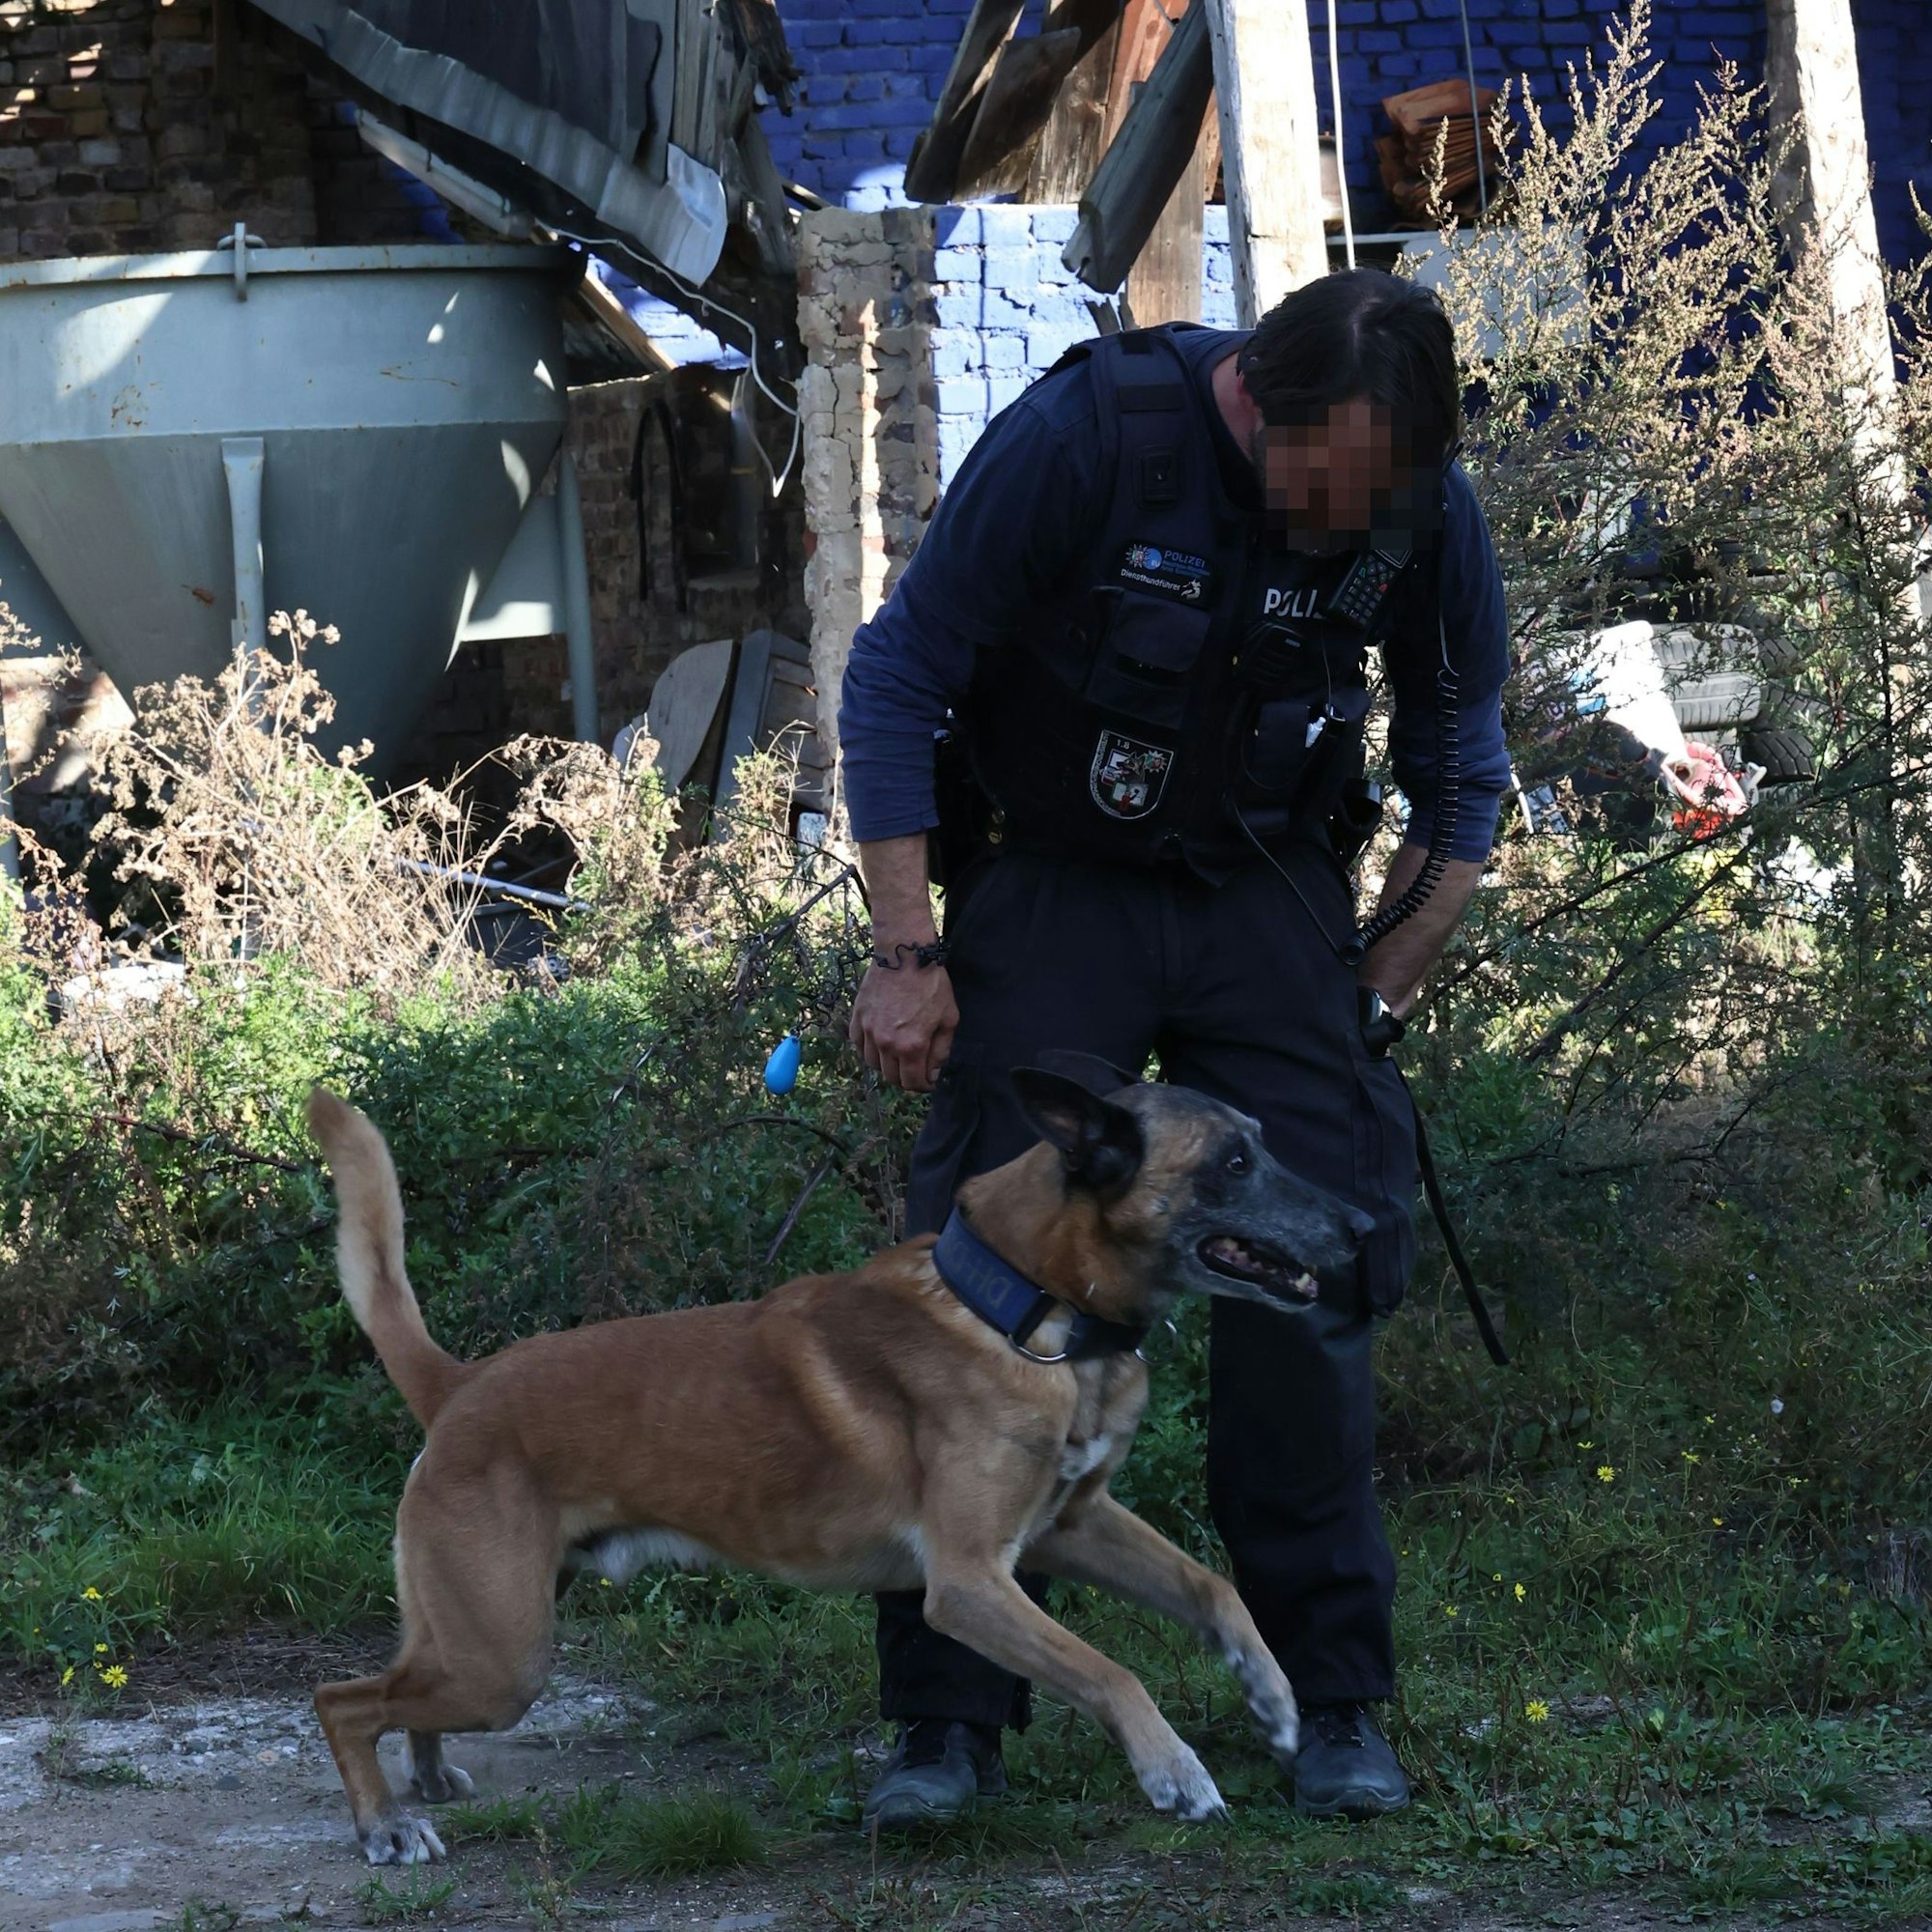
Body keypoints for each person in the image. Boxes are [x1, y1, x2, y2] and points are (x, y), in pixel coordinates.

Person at [838, 268, 1511, 1826]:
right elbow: (898, 674)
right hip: (1057, 887)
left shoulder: (1418, 502)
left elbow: (1461, 757)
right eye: (1324, 484)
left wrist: (1388, 974)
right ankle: (948, 1728)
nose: (1348, 521)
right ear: (1252, 405)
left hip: (1268, 895)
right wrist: (906, 949)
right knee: (975, 1290)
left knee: (1317, 1265)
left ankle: (1331, 1701)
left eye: (1378, 495)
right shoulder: (1093, 436)